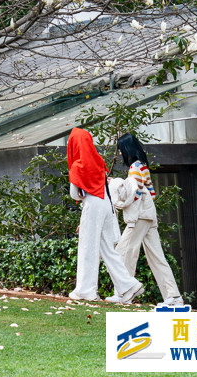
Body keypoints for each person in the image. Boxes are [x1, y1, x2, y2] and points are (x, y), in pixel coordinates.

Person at [67, 126, 144, 303]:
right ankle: (128, 285)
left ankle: (86, 291)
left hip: (93, 204)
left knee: (88, 247)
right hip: (106, 203)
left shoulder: (78, 166)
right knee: (107, 249)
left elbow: (74, 194)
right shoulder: (98, 160)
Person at [107, 132, 184, 307]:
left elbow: (134, 193)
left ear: (127, 149)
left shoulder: (135, 168)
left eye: (120, 150)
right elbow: (151, 193)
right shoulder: (143, 166)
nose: (119, 154)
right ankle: (173, 297)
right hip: (149, 215)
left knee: (123, 251)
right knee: (157, 257)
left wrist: (114, 184)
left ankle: (124, 292)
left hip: (139, 216)